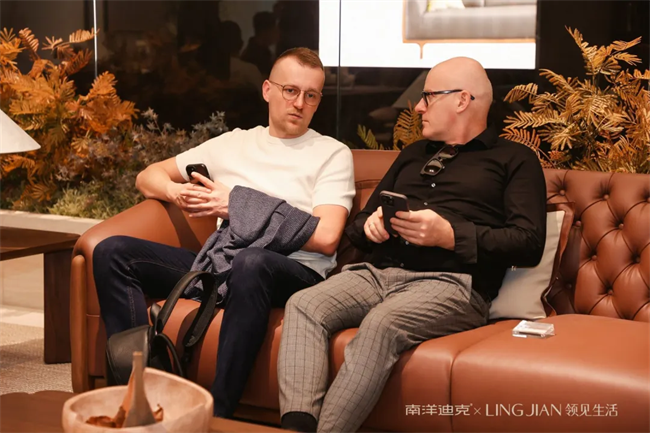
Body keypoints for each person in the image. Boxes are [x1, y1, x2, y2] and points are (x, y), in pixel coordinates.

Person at [277, 57, 547, 433]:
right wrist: (372, 226)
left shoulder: (514, 160)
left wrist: (450, 235)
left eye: (428, 96)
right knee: (304, 305)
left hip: (451, 284)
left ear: (462, 99)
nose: (418, 107)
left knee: (381, 324)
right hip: (374, 274)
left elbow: (528, 243)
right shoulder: (413, 155)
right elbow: (357, 227)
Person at [92, 47, 355, 419]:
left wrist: (238, 205)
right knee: (113, 252)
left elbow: (326, 237)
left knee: (252, 261)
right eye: (290, 91)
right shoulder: (234, 143)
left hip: (295, 269)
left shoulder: (331, 153)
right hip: (221, 263)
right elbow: (148, 175)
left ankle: (218, 414)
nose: (299, 103)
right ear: (267, 90)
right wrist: (176, 192)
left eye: (311, 95)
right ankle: (143, 390)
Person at [241, 11, 278, 77]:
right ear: (265, 31)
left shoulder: (263, 52)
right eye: (274, 29)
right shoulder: (255, 55)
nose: (277, 33)